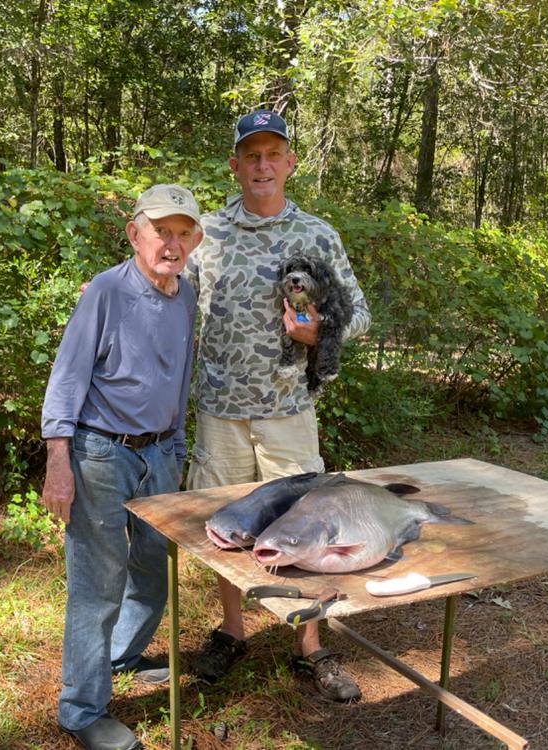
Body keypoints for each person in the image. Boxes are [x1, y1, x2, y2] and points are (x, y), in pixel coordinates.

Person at [185, 110, 371, 702]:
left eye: (274, 154)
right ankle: (232, 631)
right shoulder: (206, 234)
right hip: (219, 410)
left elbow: (359, 314)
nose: (262, 165)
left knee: (309, 526)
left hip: (289, 411)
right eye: (251, 155)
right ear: (236, 165)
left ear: (290, 163)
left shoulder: (318, 235)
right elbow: (160, 289)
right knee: (224, 528)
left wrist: (322, 336)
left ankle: (311, 647)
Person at [41, 184, 202, 750]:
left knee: (154, 569)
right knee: (98, 583)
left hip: (159, 452)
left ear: (196, 241)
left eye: (184, 233)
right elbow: (67, 378)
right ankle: (82, 709)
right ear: (135, 233)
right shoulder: (106, 292)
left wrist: (177, 450)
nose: (172, 243)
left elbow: (177, 379)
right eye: (162, 231)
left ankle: (121, 657)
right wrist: (58, 462)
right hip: (101, 453)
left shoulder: (186, 296)